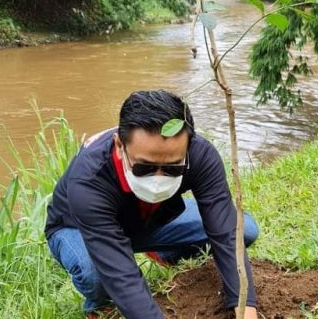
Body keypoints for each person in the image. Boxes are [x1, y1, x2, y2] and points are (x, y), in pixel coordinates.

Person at [44, 90, 259, 318]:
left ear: (188, 147)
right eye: (144, 167)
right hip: (78, 228)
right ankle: (99, 305)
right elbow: (121, 274)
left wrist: (246, 309)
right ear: (119, 145)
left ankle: (164, 254)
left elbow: (226, 232)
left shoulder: (201, 156)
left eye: (172, 168)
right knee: (96, 274)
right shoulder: (89, 179)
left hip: (148, 219)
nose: (158, 178)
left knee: (244, 229)